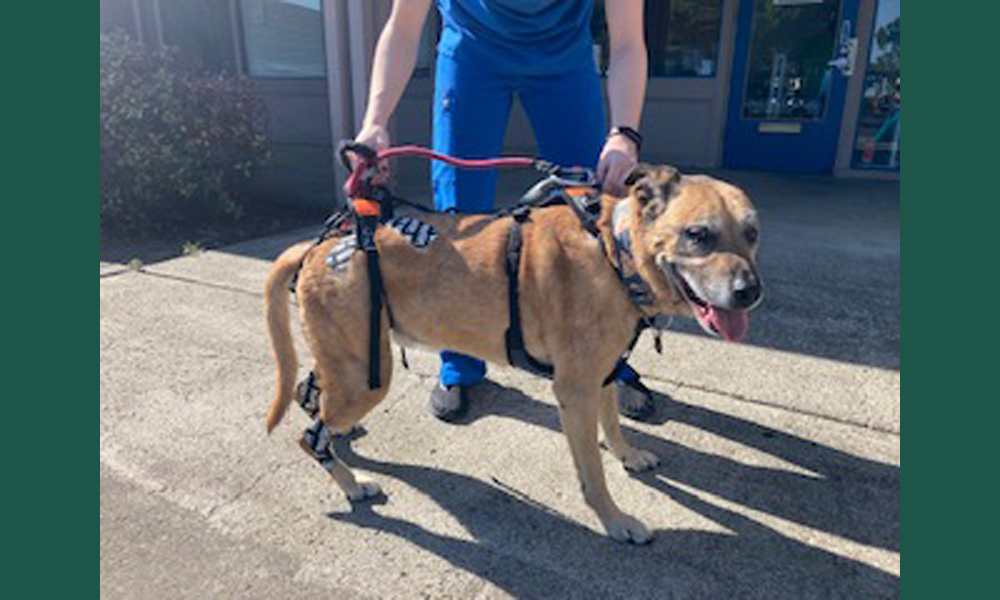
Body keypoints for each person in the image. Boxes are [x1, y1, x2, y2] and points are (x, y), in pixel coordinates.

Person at [348, 0, 656, 421]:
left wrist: (624, 133)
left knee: (593, 219)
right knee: (459, 221)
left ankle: (607, 357)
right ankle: (459, 364)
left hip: (565, 57)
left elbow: (626, 43)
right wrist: (376, 120)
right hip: (472, 53)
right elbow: (403, 29)